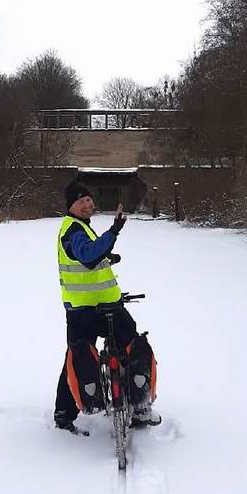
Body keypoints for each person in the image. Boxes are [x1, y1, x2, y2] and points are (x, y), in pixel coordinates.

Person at [53, 181, 160, 436]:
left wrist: (107, 256)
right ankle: (140, 406)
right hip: (94, 311)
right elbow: (87, 256)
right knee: (129, 347)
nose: (87, 204)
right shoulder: (72, 231)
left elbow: (87, 257)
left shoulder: (80, 228)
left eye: (89, 199)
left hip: (85, 311)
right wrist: (113, 232)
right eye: (81, 201)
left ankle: (64, 414)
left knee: (78, 357)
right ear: (71, 206)